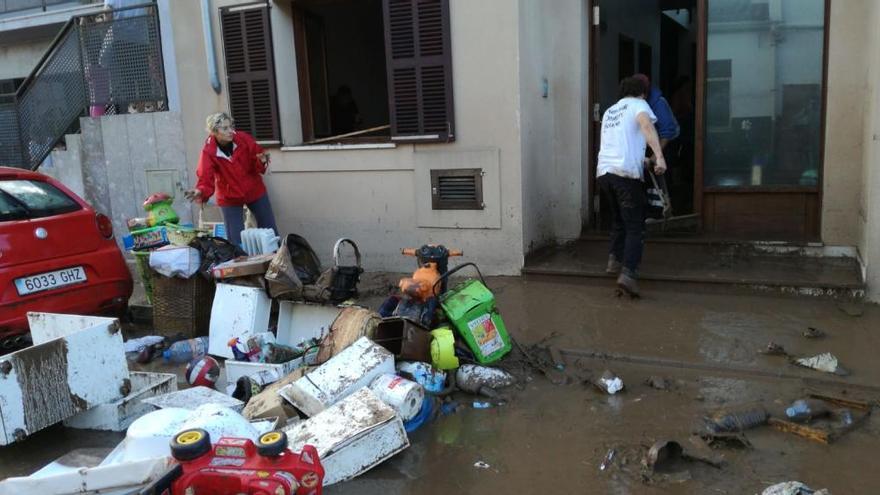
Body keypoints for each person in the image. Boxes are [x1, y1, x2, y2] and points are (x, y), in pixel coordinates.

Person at [597, 77, 667, 297]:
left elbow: (621, 143)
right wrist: (659, 156)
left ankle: (614, 260)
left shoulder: (610, 111)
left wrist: (643, 160)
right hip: (625, 175)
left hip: (604, 174)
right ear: (643, 93)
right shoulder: (639, 105)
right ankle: (628, 275)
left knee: (619, 220)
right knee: (636, 226)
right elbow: (646, 126)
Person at [184, 112, 278, 248]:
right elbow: (205, 176)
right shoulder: (209, 151)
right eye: (225, 128)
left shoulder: (243, 139)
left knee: (270, 230)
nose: (231, 131)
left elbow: (258, 159)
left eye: (231, 127)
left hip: (254, 190)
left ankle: (278, 260)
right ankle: (241, 266)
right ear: (214, 132)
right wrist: (200, 191)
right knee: (235, 240)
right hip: (229, 196)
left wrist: (262, 161)